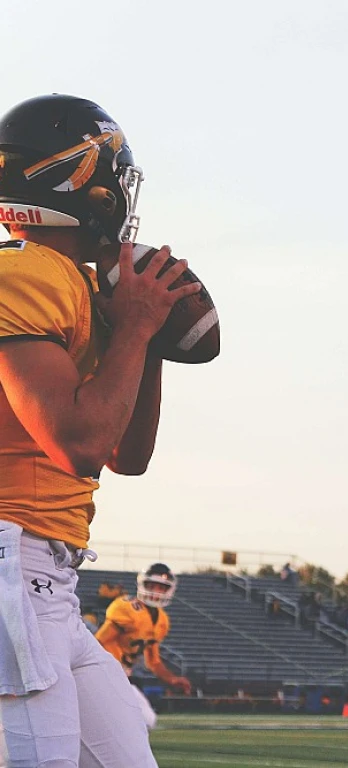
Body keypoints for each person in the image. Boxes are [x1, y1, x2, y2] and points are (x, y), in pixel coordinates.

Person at [0, 93, 201, 767]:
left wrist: (145, 339)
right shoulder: (26, 272)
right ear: (80, 180)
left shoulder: (71, 284)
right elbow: (78, 443)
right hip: (12, 558)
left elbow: (125, 454)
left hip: (48, 577)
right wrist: (138, 327)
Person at [95, 563, 192, 729]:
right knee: (137, 721)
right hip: (103, 673)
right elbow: (98, 641)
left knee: (147, 720)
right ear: (142, 584)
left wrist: (172, 679)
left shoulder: (161, 620)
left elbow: (153, 662)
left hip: (122, 677)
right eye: (152, 585)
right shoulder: (127, 608)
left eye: (162, 587)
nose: (156, 591)